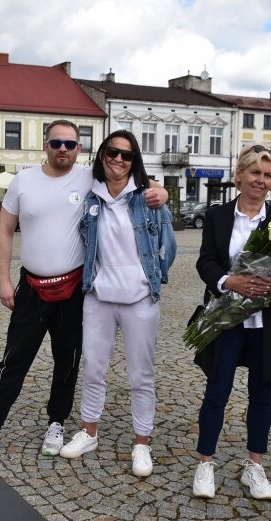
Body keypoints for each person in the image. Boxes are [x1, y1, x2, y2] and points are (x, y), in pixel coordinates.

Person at [0, 120, 168, 456]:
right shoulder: (24, 180)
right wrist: (4, 280)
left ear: (79, 149)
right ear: (45, 146)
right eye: (56, 143)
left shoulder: (90, 178)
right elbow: (4, 231)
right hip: (31, 286)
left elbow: (133, 178)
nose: (63, 149)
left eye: (70, 144)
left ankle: (57, 424)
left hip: (74, 287)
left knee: (68, 360)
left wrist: (161, 190)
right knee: (14, 359)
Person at [58, 130, 176, 478]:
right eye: (113, 152)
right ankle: (89, 431)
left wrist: (150, 279)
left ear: (134, 161)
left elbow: (167, 248)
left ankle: (142, 442)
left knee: (141, 374)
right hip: (99, 298)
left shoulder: (148, 197)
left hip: (139, 299)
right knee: (94, 367)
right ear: (103, 154)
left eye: (127, 155)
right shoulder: (89, 195)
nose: (119, 160)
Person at [191, 144, 271, 500]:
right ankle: (205, 463)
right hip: (228, 319)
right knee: (217, 392)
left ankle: (254, 465)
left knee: (262, 397)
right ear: (240, 174)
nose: (261, 180)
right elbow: (205, 261)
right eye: (255, 172)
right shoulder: (219, 215)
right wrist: (229, 281)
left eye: (268, 175)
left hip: (267, 324)